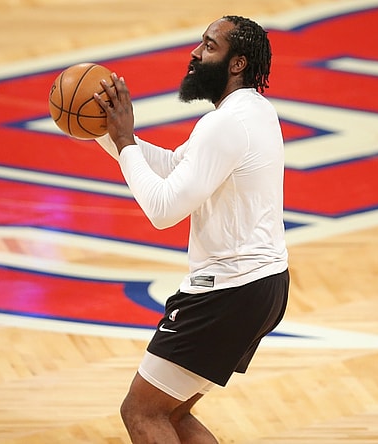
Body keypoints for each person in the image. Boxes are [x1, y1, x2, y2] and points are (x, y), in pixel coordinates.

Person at [93, 15, 289, 444]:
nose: (195, 54)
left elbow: (163, 209)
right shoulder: (253, 111)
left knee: (142, 413)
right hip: (260, 285)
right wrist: (104, 133)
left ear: (237, 64)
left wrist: (126, 141)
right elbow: (173, 168)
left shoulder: (225, 124)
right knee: (172, 415)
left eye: (209, 46)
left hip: (229, 291)